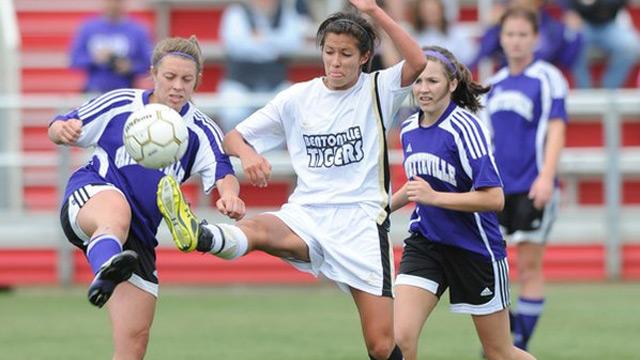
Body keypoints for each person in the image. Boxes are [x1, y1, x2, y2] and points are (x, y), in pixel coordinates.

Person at [156, 1, 426, 358]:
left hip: (360, 223)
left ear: (364, 58)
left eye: (346, 54)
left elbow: (418, 62)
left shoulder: (378, 88)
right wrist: (250, 155)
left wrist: (375, 13)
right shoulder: (299, 97)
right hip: (308, 215)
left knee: (380, 346)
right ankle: (200, 234)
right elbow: (233, 138)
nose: (336, 61)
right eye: (329, 51)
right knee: (259, 230)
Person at [49, 36, 245, 359]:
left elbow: (223, 173)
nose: (177, 86)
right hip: (90, 197)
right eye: (169, 77)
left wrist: (230, 197)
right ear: (153, 73)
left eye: (186, 79)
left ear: (198, 80)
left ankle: (111, 267)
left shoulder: (199, 130)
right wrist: (62, 131)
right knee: (116, 210)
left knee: (134, 342)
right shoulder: (121, 103)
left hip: (139, 238)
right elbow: (60, 125)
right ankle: (106, 265)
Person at [390, 46, 535, 360]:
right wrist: (381, 210)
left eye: (432, 81)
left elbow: (494, 198)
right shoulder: (409, 129)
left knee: (499, 352)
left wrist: (436, 198)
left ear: (452, 84)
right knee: (398, 340)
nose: (423, 89)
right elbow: (417, 187)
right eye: (418, 81)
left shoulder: (465, 128)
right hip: (426, 243)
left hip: (475, 249)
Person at [483, 6, 568, 352]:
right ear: (501, 39)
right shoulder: (495, 84)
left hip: (533, 186)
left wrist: (546, 177)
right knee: (493, 268)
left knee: (530, 267)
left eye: (522, 34)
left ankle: (518, 342)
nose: (516, 41)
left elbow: (556, 128)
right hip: (499, 192)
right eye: (510, 35)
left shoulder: (547, 77)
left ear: (535, 38)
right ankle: (504, 340)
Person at [216, 0, 308, 132]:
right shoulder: (236, 12)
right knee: (233, 114)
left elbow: (294, 43)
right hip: (239, 82)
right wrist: (275, 46)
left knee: (288, 111)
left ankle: (271, 152)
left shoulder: (286, 12)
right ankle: (237, 151)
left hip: (275, 82)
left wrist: (262, 38)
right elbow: (236, 46)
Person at [468, 0, 582, 73]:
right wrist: (491, 28)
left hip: (541, 83)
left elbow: (567, 62)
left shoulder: (553, 27)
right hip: (509, 81)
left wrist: (573, 34)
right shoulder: (505, 25)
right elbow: (483, 53)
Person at [70, 0, 153, 94]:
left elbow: (149, 63)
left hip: (125, 91)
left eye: (117, 2)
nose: (113, 5)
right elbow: (75, 59)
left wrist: (130, 67)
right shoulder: (88, 28)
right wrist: (95, 59)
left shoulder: (137, 30)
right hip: (94, 91)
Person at [561, 0, 640, 88]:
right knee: (572, 45)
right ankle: (585, 91)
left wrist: (596, 3)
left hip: (610, 24)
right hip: (582, 23)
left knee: (630, 45)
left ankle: (608, 89)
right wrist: (572, 9)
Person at [412, 0, 477, 66]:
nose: (430, 13)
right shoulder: (414, 36)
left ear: (441, 10)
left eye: (433, 10)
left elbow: (469, 59)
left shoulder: (457, 34)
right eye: (426, 10)